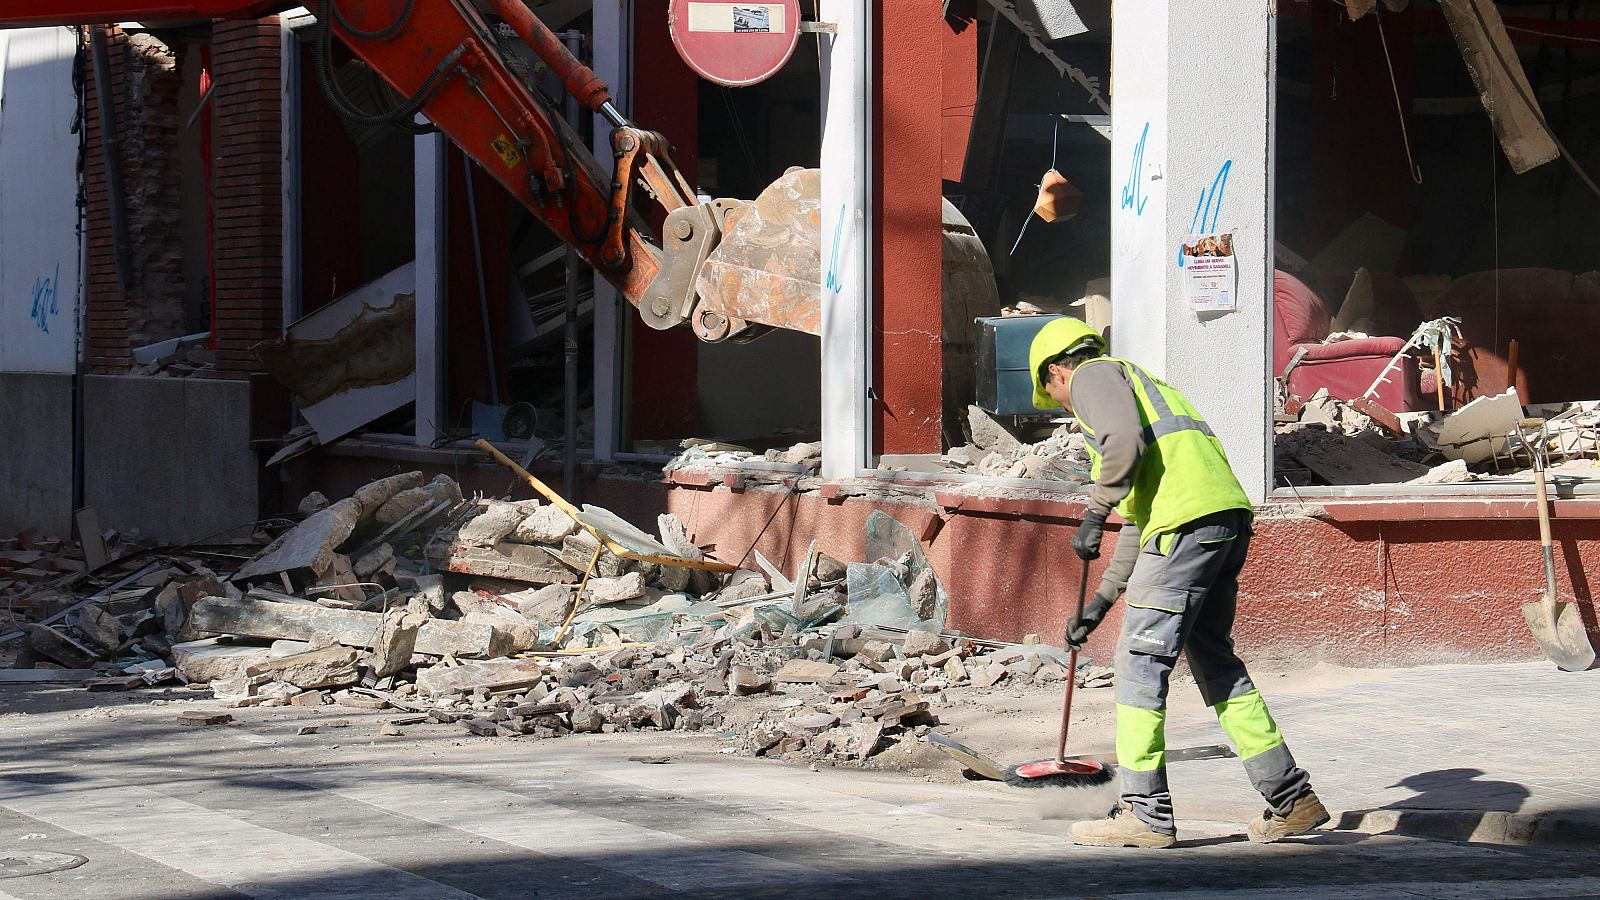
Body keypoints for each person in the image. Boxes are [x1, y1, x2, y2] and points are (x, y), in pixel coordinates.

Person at [1027, 317, 1327, 849]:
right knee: (1217, 665)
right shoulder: (1146, 388)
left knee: (1140, 666)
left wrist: (1094, 510)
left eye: (1054, 396)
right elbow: (1144, 521)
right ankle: (1291, 798)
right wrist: (1099, 602)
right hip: (1220, 523)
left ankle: (1144, 814)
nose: (1065, 407)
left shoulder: (1094, 375)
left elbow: (1121, 447)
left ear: (1056, 371)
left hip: (1186, 529)